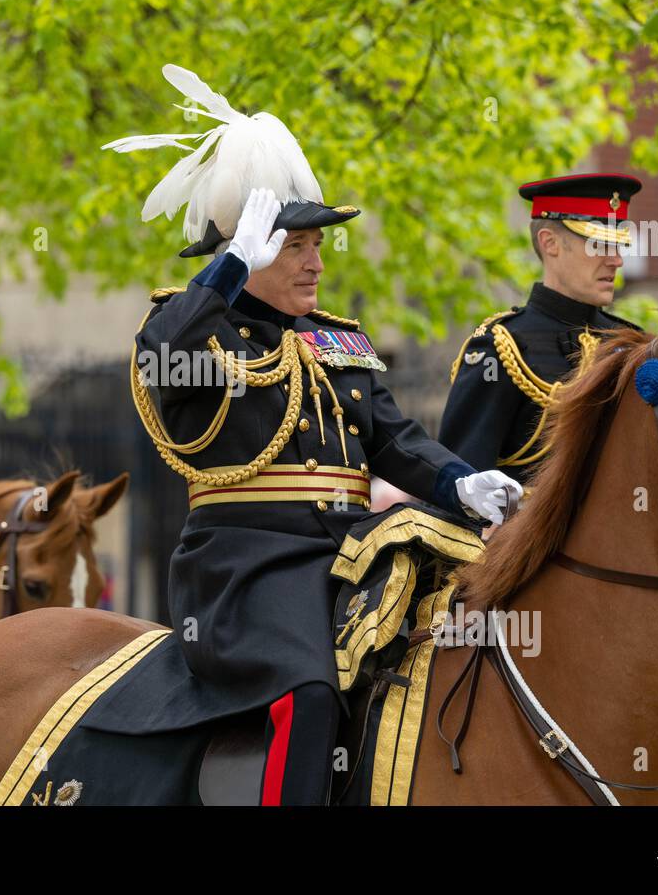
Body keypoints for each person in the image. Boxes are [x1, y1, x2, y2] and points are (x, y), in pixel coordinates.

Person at [110, 65, 522, 805]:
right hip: (246, 570)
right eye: (294, 244)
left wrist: (462, 480)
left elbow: (396, 440)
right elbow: (157, 363)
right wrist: (230, 267)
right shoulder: (196, 332)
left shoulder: (340, 343)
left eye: (315, 243)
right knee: (308, 690)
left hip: (350, 555)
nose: (315, 260)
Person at [438, 173, 643, 483]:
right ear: (550, 243)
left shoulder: (628, 344)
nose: (616, 261)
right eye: (600, 245)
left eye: (618, 246)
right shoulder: (503, 346)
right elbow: (461, 483)